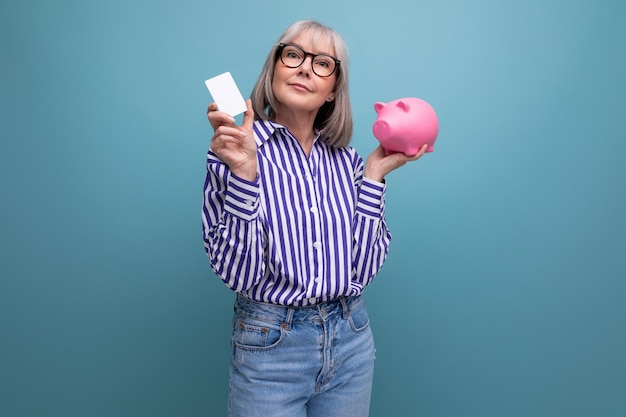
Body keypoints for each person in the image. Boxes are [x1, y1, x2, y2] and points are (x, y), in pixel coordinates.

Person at [202, 19, 428, 417]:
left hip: (351, 338)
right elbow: (241, 276)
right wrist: (244, 176)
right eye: (293, 55)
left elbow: (360, 271)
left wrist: (373, 176)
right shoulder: (234, 150)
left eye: (323, 63)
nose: (305, 68)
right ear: (274, 68)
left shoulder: (348, 163)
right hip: (270, 347)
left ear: (333, 90)